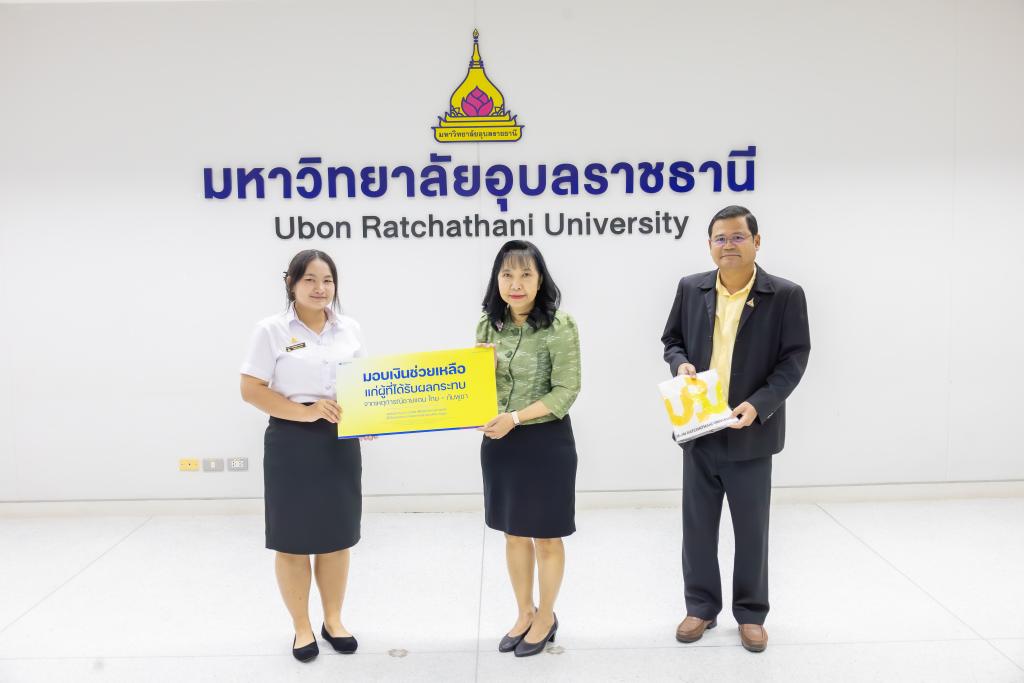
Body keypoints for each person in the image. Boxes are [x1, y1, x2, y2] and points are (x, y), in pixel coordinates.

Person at [661, 206, 810, 653]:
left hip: (751, 430)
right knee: (697, 529)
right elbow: (672, 340)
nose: (729, 245)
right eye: (720, 238)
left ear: (756, 242)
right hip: (699, 428)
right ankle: (701, 607)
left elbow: (794, 359)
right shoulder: (691, 288)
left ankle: (751, 614)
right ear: (710, 245)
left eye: (738, 237)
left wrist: (760, 405)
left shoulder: (785, 295)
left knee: (751, 532)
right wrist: (680, 364)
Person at [240, 250, 369, 663]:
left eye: (327, 280)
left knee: (336, 538)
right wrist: (307, 412)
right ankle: (301, 627)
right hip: (291, 442)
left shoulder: (349, 328)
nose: (320, 288)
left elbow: (362, 385)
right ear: (291, 283)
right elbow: (251, 389)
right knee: (293, 541)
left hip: (339, 443)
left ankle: (334, 620)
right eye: (310, 279)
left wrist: (369, 418)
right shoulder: (271, 330)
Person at [475, 240, 582, 658]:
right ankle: (524, 612)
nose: (515, 284)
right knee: (514, 534)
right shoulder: (488, 325)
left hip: (545, 442)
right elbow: (477, 387)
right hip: (500, 444)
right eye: (507, 274)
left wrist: (516, 418)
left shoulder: (560, 325)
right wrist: (474, 399)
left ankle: (546, 616)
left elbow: (566, 390)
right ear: (497, 279)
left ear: (540, 280)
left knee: (547, 537)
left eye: (525, 274)